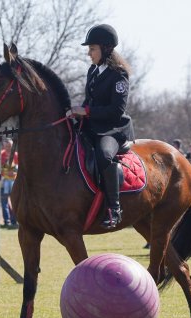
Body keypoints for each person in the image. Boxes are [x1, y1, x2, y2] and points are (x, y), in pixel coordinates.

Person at [67, 23, 134, 228]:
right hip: (92, 126)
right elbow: (90, 102)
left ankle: (114, 209)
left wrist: (86, 111)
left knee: (104, 156)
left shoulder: (119, 74)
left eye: (92, 49)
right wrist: (75, 114)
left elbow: (116, 110)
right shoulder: (93, 71)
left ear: (105, 49)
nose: (89, 53)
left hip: (113, 130)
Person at [0, 137, 18, 226]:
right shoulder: (1, 155)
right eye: (6, 146)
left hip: (14, 182)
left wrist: (14, 172)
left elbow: (20, 168)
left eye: (10, 146)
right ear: (4, 146)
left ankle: (14, 220)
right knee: (4, 203)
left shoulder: (16, 155)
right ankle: (7, 220)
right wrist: (6, 173)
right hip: (4, 182)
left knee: (15, 202)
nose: (8, 148)